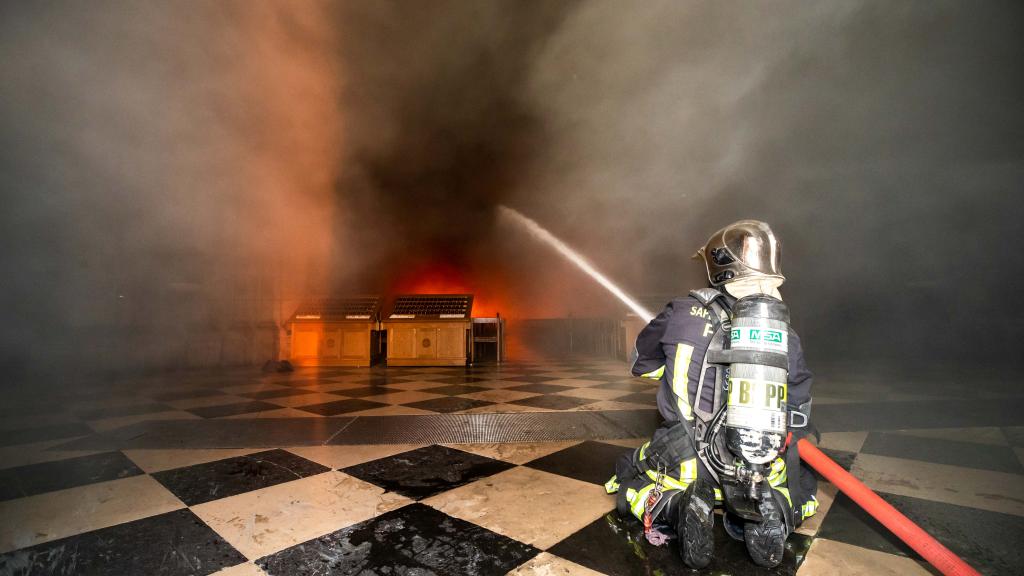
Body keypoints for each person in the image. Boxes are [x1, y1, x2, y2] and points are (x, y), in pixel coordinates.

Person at [605, 220, 819, 568]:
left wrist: (677, 369)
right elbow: (799, 405)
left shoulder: (680, 311)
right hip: (758, 467)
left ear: (718, 265)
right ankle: (772, 512)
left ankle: (675, 506)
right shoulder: (785, 334)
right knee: (804, 482)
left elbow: (640, 364)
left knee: (629, 474)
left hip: (686, 462)